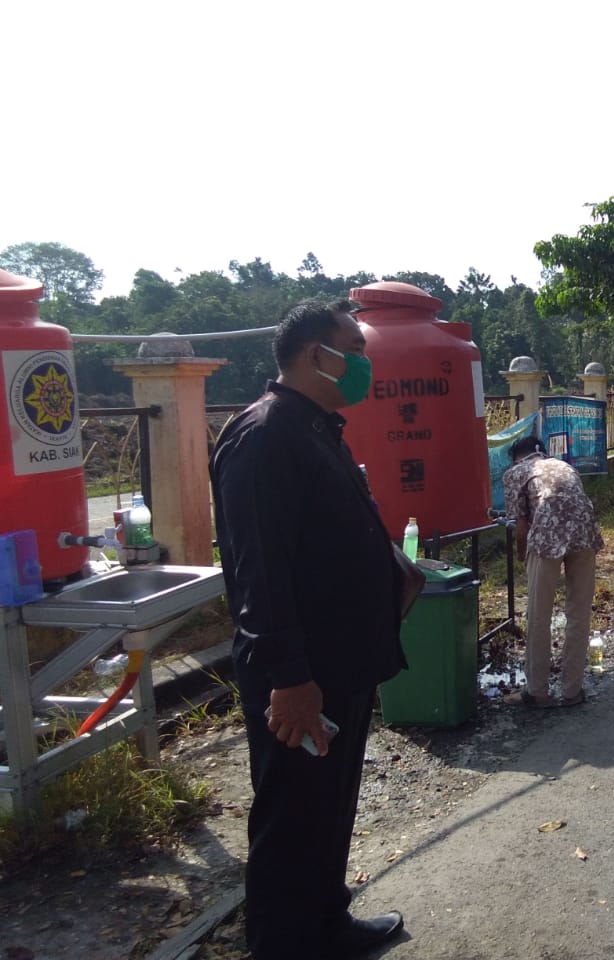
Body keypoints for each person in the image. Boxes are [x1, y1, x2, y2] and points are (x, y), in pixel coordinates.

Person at [210, 299, 419, 960]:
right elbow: (258, 573)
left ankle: (327, 924)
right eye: (353, 350)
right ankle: (280, 946)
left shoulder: (316, 427)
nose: (363, 364)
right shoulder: (263, 437)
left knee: (328, 809)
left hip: (341, 662)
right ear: (313, 356)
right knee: (291, 817)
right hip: (301, 674)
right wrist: (289, 677)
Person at [501, 435, 604, 708]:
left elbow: (521, 528)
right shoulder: (564, 466)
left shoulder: (515, 472)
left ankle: (537, 692)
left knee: (539, 614)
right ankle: (572, 691)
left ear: (517, 457)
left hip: (547, 534)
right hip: (585, 532)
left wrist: (523, 557)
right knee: (578, 613)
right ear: (542, 452)